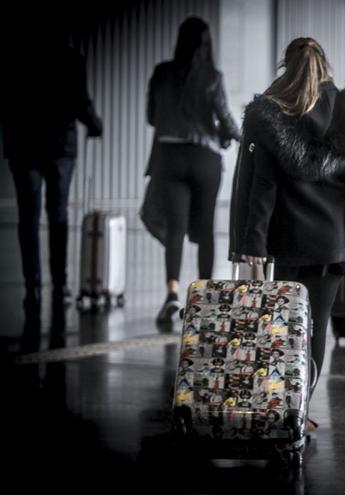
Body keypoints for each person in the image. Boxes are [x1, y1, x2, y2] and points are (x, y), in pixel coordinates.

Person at [231, 37, 345, 433]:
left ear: (286, 68)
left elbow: (263, 188)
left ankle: (281, 404)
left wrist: (253, 244)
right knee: (316, 327)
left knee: (287, 328)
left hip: (291, 242)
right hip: (333, 242)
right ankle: (301, 410)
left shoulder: (273, 116)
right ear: (324, 66)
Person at [145, 17, 240, 324]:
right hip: (204, 159)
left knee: (176, 228)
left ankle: (172, 294)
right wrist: (231, 135)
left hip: (169, 156)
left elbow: (151, 116)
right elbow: (224, 118)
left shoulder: (162, 72)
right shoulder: (212, 76)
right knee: (207, 229)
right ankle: (204, 300)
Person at [1, 33, 103, 312]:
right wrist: (95, 124)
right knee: (57, 214)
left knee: (28, 217)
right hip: (59, 147)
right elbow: (79, 100)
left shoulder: (13, 56)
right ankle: (60, 285)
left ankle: (32, 287)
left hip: (23, 145)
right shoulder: (69, 58)